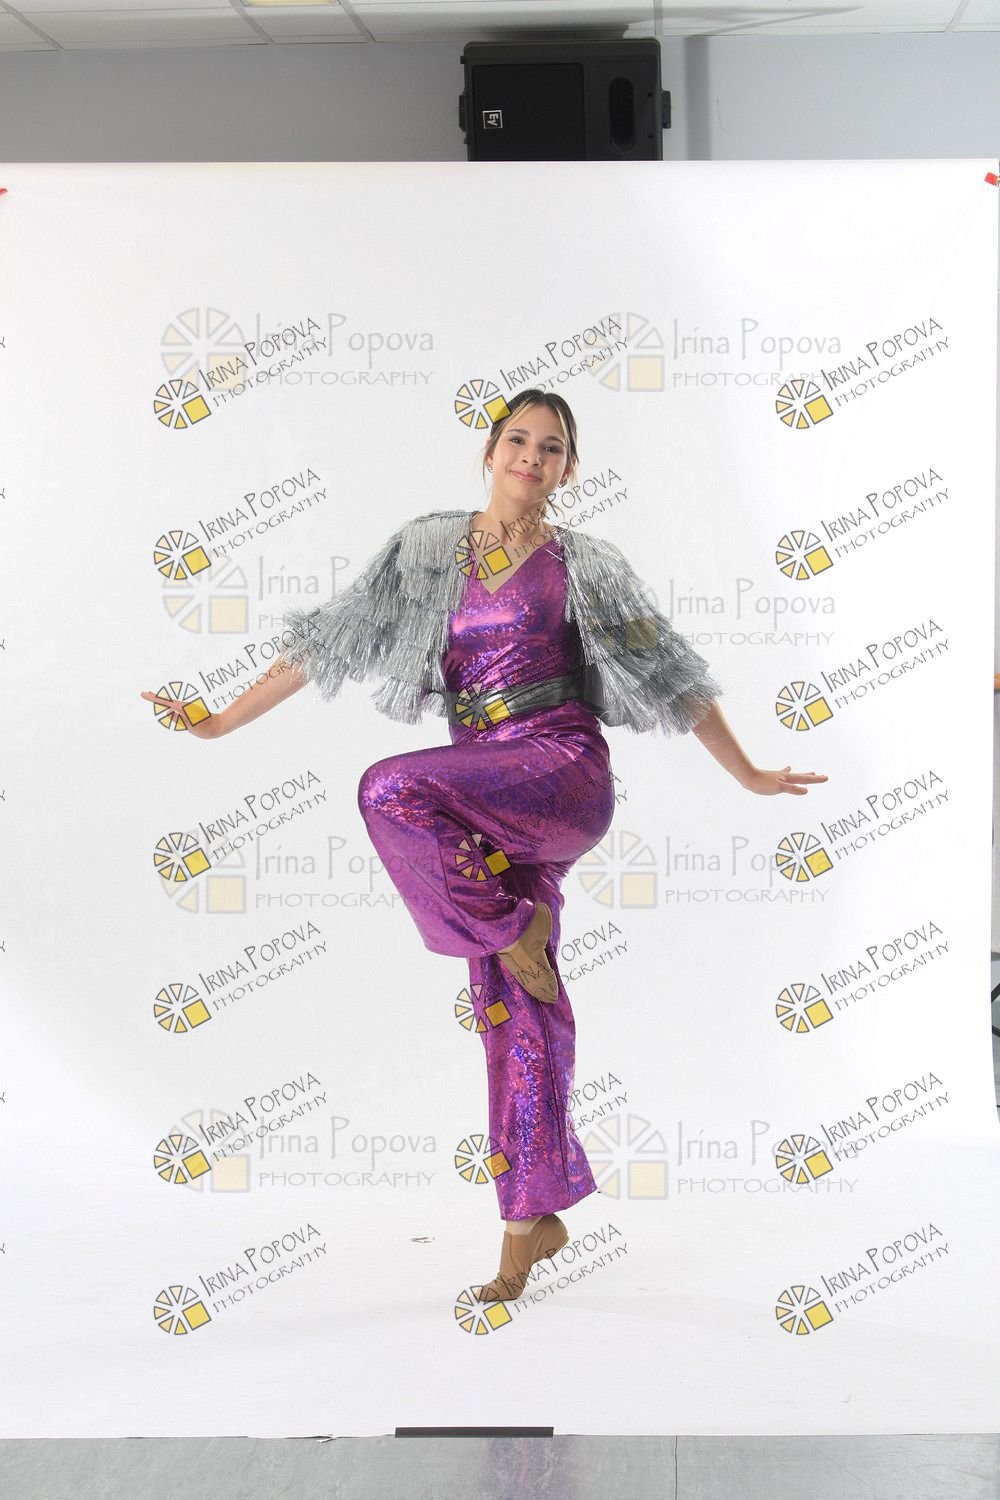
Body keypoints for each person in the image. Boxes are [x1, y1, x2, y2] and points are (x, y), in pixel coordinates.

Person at [141, 389, 827, 1305]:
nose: (532, 457)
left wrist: (748, 774)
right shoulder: (428, 549)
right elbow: (328, 640)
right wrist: (222, 720)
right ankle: (529, 1220)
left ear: (569, 469)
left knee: (389, 788)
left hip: (562, 774)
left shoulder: (586, 564)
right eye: (518, 440)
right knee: (513, 1008)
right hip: (478, 803)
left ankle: (508, 927)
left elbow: (671, 676)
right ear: (490, 451)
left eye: (553, 448)